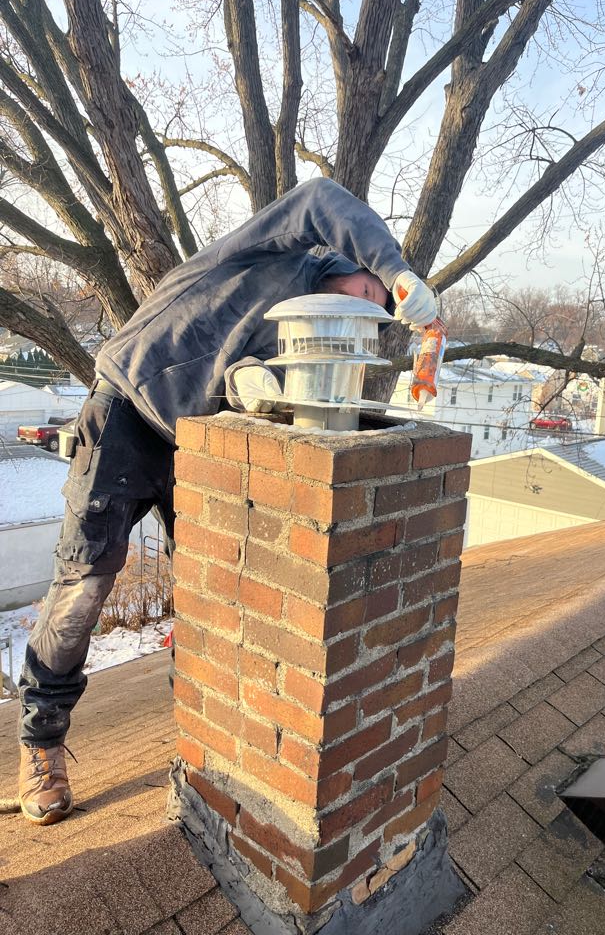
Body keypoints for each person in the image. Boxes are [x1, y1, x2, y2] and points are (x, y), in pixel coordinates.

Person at [16, 177, 437, 826]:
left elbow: (238, 389)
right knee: (84, 583)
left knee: (218, 588)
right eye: (365, 294)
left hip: (194, 442)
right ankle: (41, 743)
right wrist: (399, 272)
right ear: (348, 264)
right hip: (125, 411)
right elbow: (322, 196)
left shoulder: (303, 340)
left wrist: (258, 392)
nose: (363, 308)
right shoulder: (277, 251)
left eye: (372, 312)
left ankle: (206, 723)